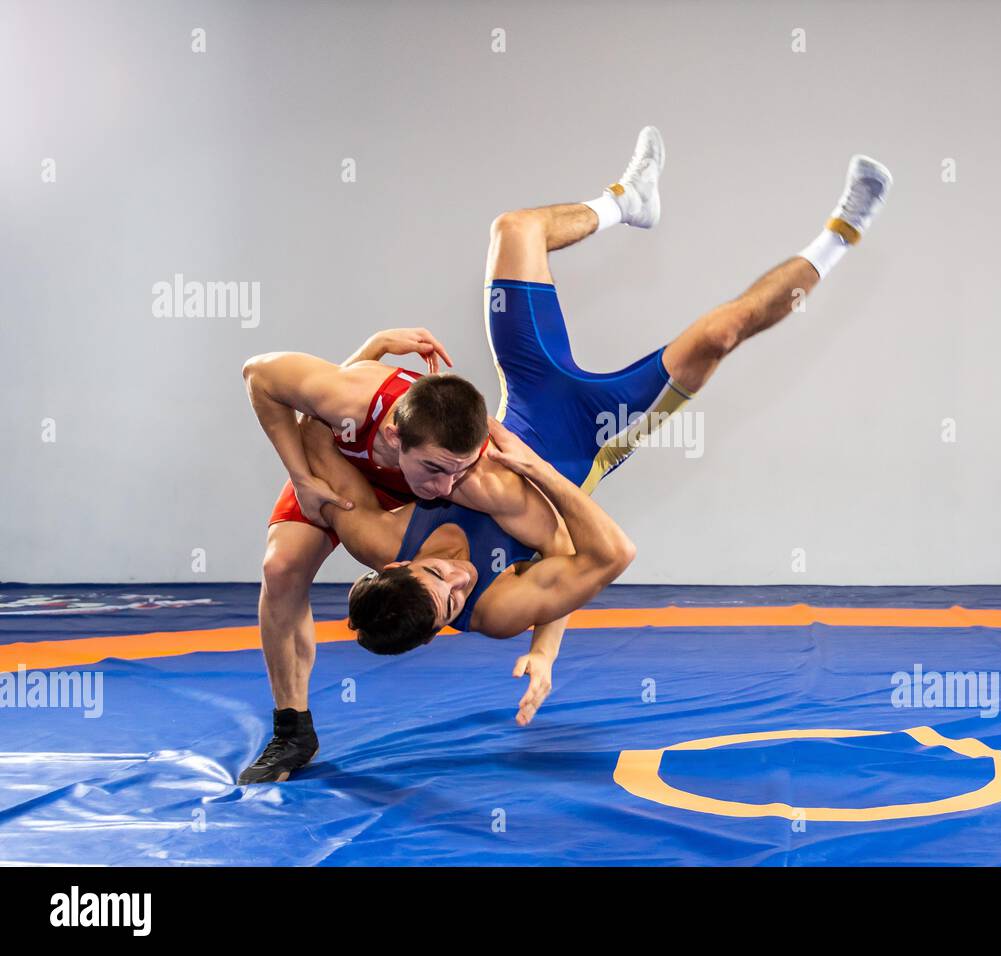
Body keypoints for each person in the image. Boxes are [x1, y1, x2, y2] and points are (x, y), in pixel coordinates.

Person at [262, 126, 892, 783]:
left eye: (439, 579)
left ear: (397, 563)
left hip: (530, 395)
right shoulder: (496, 613)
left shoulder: (377, 532)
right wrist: (543, 626)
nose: (461, 582)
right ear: (447, 627)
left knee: (514, 227)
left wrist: (350, 387)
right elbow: (600, 554)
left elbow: (309, 423)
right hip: (598, 434)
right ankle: (845, 229)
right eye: (453, 606)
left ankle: (625, 199)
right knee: (723, 331)